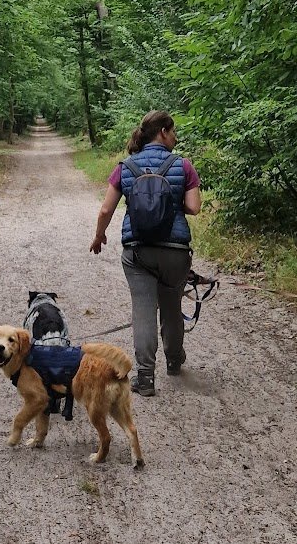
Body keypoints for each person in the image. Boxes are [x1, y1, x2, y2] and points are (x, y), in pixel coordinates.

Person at [89, 110, 201, 397]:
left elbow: (105, 209)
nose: (176, 137)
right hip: (175, 251)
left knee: (143, 310)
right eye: (173, 131)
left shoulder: (125, 166)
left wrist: (100, 236)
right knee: (172, 306)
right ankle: (174, 360)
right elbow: (194, 207)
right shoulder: (183, 165)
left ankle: (145, 377)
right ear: (163, 131)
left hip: (138, 251)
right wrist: (171, 201)